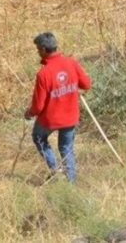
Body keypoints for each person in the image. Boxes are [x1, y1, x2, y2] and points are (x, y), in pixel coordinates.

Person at [25, 32, 92, 183]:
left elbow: (38, 106)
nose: (37, 52)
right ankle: (71, 183)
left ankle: (55, 169)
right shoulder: (71, 63)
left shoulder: (44, 74)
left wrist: (29, 113)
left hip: (50, 119)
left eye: (37, 49)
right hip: (70, 117)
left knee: (38, 137)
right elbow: (86, 84)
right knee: (66, 149)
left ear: (43, 49)